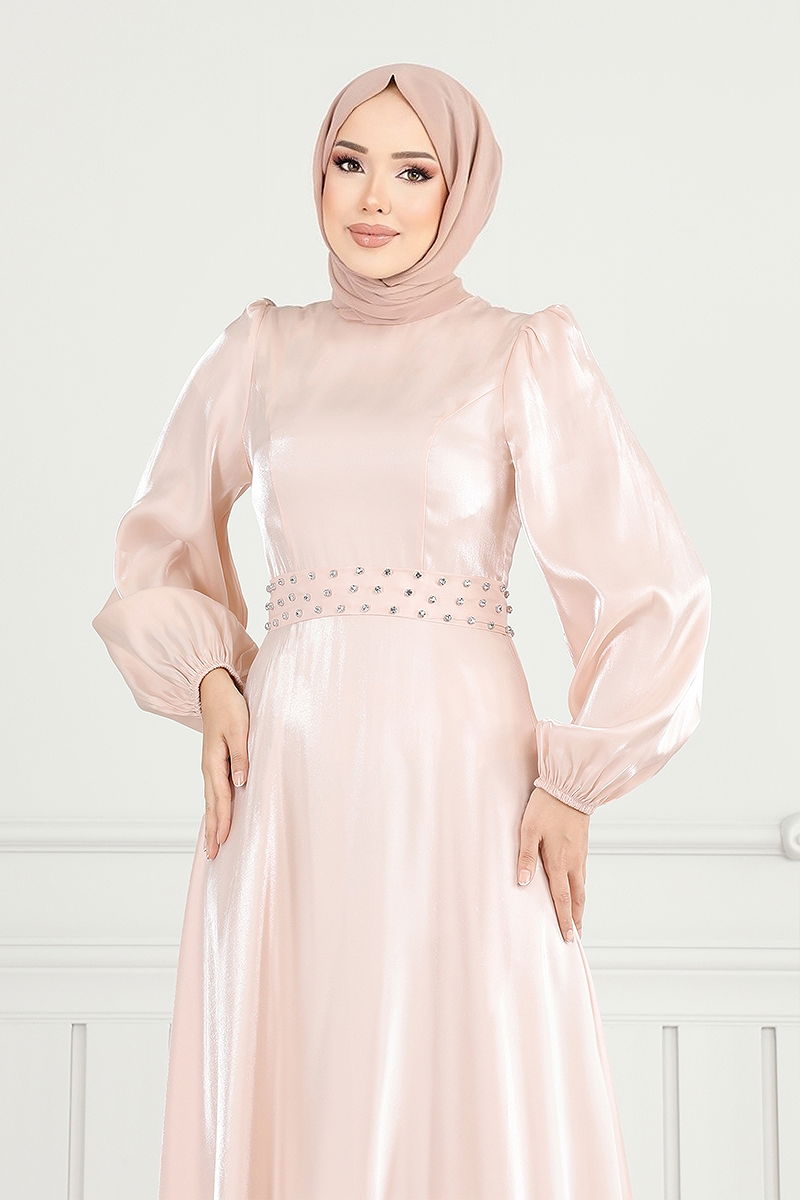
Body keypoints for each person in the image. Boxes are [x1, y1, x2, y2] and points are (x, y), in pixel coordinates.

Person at [92, 61, 711, 1200]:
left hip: (461, 772)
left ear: (459, 190)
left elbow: (651, 583)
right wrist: (211, 676)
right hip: (287, 772)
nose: (373, 197)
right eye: (349, 163)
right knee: (305, 1051)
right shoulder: (260, 348)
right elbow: (156, 539)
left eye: (413, 171)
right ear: (318, 175)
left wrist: (577, 781)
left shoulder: (521, 353)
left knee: (465, 1051)